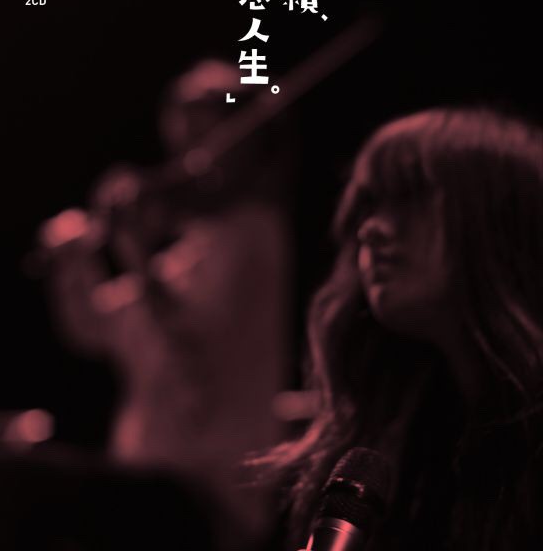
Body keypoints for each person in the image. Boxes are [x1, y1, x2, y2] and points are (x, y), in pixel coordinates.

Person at [255, 107, 543, 550]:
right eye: (369, 204)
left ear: (499, 215)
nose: (369, 229)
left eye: (409, 196)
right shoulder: (396, 429)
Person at [42, 59, 295, 550]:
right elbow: (96, 330)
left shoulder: (255, 235)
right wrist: (73, 265)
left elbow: (192, 340)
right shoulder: (188, 249)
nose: (190, 159)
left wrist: (135, 254)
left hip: (209, 491)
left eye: (205, 134)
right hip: (147, 474)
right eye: (181, 141)